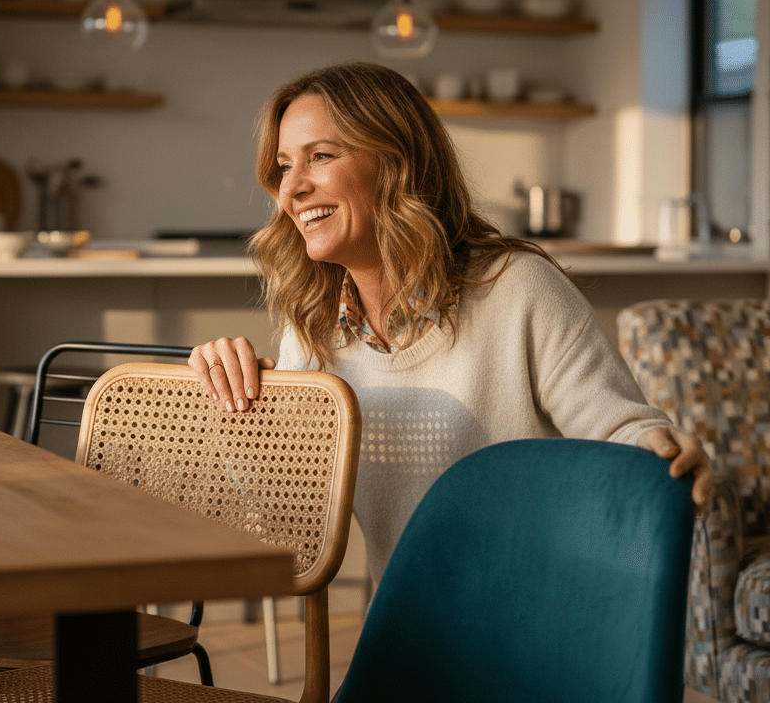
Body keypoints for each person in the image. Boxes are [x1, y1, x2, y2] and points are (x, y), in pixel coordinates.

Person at [190, 61, 712, 585]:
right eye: (283, 167)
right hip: (407, 634)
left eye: (321, 156)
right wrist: (244, 416)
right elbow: (286, 533)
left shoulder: (517, 288)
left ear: (397, 163)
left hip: (541, 620)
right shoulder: (314, 332)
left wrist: (660, 450)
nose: (292, 190)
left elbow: (620, 429)